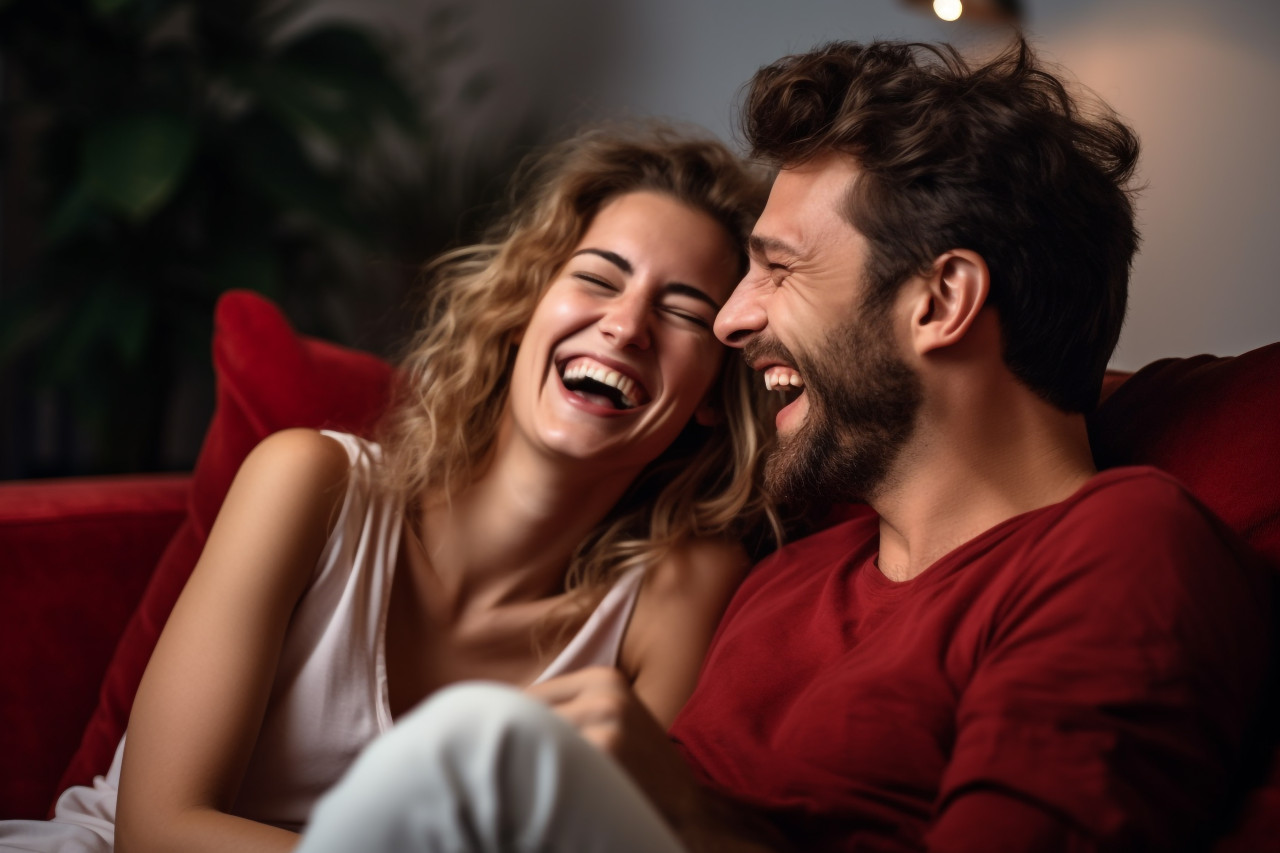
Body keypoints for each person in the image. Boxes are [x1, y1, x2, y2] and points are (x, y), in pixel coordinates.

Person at [286, 36, 1273, 853]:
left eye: (776, 270)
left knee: (486, 749)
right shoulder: (789, 574)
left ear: (939, 301)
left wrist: (685, 809)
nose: (729, 319)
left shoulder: (1119, 545)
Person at [0, 124, 782, 852]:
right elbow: (158, 828)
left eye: (684, 311)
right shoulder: (309, 482)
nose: (626, 325)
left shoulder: (677, 590)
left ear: (714, 393)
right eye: (598, 278)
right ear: (522, 311)